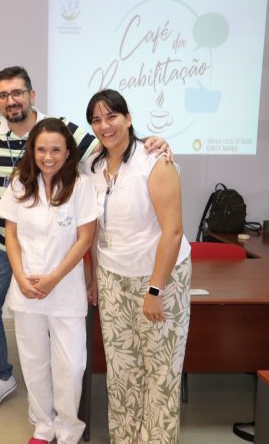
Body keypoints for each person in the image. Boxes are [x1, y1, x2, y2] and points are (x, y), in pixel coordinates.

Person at [0, 66, 170, 415]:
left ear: (32, 95)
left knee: (51, 322)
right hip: (2, 241)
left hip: (52, 244)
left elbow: (108, 142)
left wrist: (149, 142)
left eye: (17, 93)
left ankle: (57, 390)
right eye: (3, 95)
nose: (11, 100)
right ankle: (1, 375)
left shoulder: (59, 129)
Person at [85, 90, 191, 444]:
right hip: (113, 278)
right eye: (97, 120)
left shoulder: (155, 161)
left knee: (160, 373)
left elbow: (173, 232)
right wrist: (94, 279)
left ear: (128, 118)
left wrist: (155, 290)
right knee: (122, 372)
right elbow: (97, 230)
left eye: (111, 116)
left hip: (159, 277)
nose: (105, 125)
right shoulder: (94, 166)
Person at [0, 118, 97, 444]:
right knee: (34, 362)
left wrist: (53, 278)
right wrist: (20, 277)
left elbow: (85, 238)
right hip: (27, 289)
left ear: (68, 152)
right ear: (32, 150)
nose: (48, 157)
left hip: (65, 290)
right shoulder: (20, 183)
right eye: (41, 149)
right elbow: (11, 236)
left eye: (55, 150)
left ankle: (68, 429)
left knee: (71, 365)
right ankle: (43, 425)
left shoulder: (81, 185)